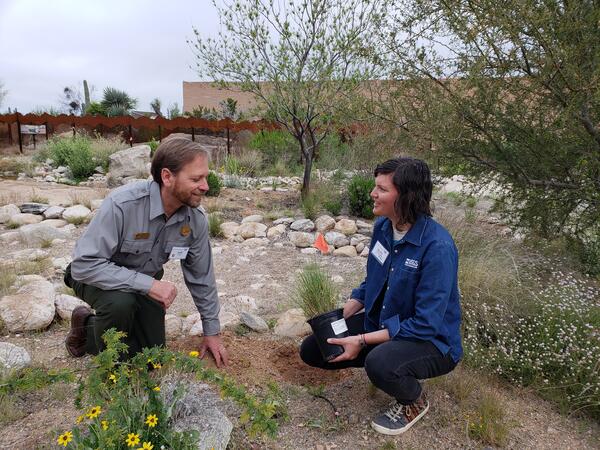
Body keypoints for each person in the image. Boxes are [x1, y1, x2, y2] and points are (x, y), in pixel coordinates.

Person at [300, 157, 462, 435]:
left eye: (382, 189)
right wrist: (350, 307)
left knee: (379, 363)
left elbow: (426, 324)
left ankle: (413, 399)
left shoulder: (437, 247)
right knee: (315, 348)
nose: (372, 194)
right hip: (385, 322)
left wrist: (362, 340)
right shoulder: (384, 228)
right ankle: (384, 357)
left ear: (407, 196)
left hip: (432, 342)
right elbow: (374, 279)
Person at [64, 136, 228, 367]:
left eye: (205, 177)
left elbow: (202, 277)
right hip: (94, 277)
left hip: (142, 285)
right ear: (167, 177)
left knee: (151, 360)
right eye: (196, 178)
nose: (205, 186)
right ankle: (112, 371)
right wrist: (150, 285)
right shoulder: (123, 204)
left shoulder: (195, 219)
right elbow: (84, 266)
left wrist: (212, 331)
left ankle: (86, 326)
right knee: (120, 305)